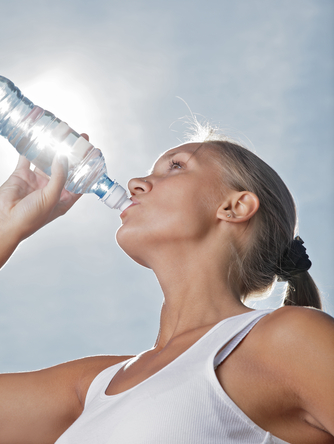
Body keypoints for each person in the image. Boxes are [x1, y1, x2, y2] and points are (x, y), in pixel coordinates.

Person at [0, 124, 333, 444]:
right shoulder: (93, 386)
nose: (135, 183)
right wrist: (5, 225)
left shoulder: (286, 339)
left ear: (234, 207)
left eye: (175, 166)